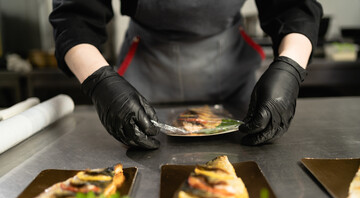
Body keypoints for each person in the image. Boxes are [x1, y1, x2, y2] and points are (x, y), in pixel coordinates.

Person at [49, 0, 323, 149]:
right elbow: (74, 17)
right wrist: (98, 80)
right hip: (143, 74)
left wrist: (291, 65)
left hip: (233, 79)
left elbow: (294, 7)